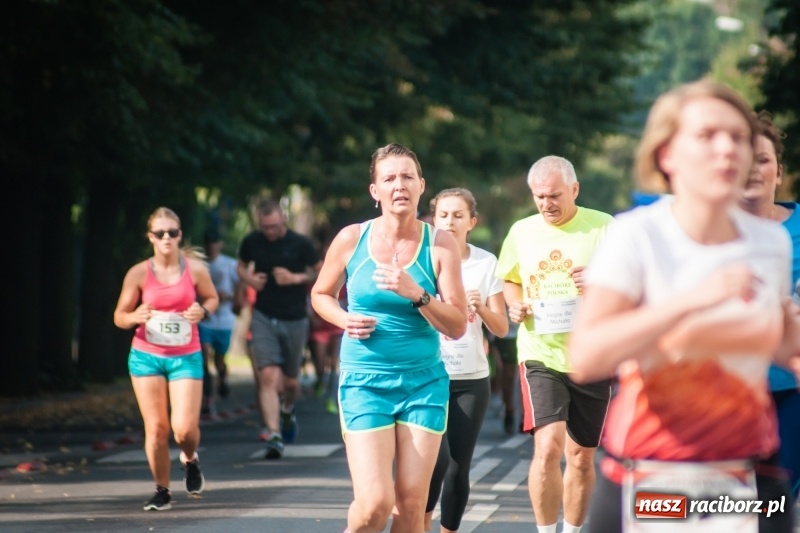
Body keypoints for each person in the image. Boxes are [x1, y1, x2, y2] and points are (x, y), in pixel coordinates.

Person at [569, 81, 798, 532]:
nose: (728, 149)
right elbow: (586, 357)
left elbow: (781, 344)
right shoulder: (637, 235)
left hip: (751, 475)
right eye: (708, 135)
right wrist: (693, 301)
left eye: (738, 137)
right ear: (666, 155)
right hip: (652, 476)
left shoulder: (769, 243)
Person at [310, 143, 467, 533]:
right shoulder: (351, 239)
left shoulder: (441, 244)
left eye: (408, 177)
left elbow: (457, 324)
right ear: (375, 191)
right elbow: (320, 294)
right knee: (374, 506)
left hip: (424, 383)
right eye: (389, 178)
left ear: (421, 186)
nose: (400, 185)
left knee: (412, 505)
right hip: (365, 383)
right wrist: (344, 319)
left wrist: (418, 293)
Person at [496, 155, 614, 533]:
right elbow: (509, 280)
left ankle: (573, 530)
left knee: (580, 457)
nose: (547, 204)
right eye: (539, 196)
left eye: (554, 195)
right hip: (540, 353)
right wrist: (515, 305)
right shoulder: (522, 231)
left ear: (575, 190)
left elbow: (631, 285)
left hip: (592, 355)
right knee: (547, 446)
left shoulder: (604, 227)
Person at [113, 207, 219, 511]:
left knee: (184, 429)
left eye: (172, 232)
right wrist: (135, 315)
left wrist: (203, 310)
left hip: (185, 356)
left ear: (180, 234)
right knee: (157, 428)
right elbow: (119, 316)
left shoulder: (195, 269)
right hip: (147, 356)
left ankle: (190, 457)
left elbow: (211, 298)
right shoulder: (138, 273)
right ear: (151, 237)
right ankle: (162, 490)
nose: (166, 238)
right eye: (160, 233)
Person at [423, 188, 508, 533]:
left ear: (472, 222)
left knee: (458, 465)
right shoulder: (423, 259)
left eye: (458, 216)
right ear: (433, 219)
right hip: (427, 375)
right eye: (443, 215)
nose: (450, 222)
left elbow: (501, 328)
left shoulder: (485, 263)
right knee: (433, 461)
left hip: (470, 378)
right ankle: (419, 525)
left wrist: (481, 307)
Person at [738, 110, 800, 501]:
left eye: (763, 160)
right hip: (725, 390)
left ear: (779, 172)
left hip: (789, 390)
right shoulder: (704, 232)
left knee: (775, 500)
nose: (753, 170)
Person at [237, 199, 322, 459]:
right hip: (264, 316)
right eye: (265, 227)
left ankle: (287, 410)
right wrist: (249, 279)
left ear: (283, 219)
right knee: (268, 377)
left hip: (295, 318)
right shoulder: (252, 241)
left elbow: (320, 272)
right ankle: (274, 435)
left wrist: (296, 278)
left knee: (291, 382)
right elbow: (240, 266)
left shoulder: (301, 244)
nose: (270, 232)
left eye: (274, 226)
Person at [198, 228, 240, 416]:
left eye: (215, 242)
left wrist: (231, 297)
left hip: (224, 320)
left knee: (219, 360)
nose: (211, 246)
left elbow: (240, 285)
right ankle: (209, 399)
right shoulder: (198, 265)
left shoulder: (229, 264)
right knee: (204, 356)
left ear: (220, 244)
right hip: (205, 319)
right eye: (208, 242)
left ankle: (223, 377)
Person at [493, 317, 520, 434]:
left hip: (520, 335)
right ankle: (508, 410)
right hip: (501, 337)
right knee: (504, 374)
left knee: (516, 377)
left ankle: (518, 414)